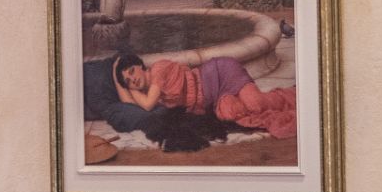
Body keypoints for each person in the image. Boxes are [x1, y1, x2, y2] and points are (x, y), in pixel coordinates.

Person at [113, 47, 295, 143]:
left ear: (140, 65)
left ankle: (292, 95)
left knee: (256, 105)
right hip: (215, 98)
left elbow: (147, 105)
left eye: (132, 71)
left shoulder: (158, 70)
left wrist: (130, 86)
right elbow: (130, 105)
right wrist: (121, 82)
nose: (133, 79)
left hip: (220, 73)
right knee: (231, 114)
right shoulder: (152, 91)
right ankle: (248, 98)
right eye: (128, 80)